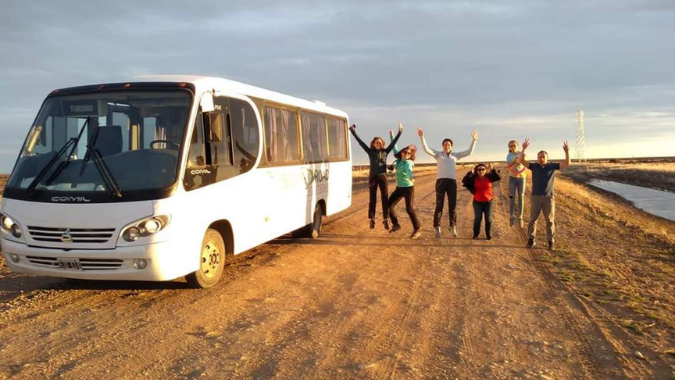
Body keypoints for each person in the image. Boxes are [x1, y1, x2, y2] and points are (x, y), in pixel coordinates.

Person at [418, 128, 479, 238]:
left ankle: (453, 226)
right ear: (442, 146)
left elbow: (469, 152)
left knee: (453, 206)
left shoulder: (455, 156)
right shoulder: (438, 155)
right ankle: (437, 228)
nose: (447, 146)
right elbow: (426, 149)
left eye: (449, 144)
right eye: (445, 144)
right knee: (439, 206)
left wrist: (474, 140)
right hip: (441, 182)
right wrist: (422, 137)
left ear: (451, 146)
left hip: (452, 182)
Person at [518, 139, 571, 250]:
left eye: (543, 157)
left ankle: (551, 242)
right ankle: (531, 240)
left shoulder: (552, 166)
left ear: (547, 158)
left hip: (548, 198)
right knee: (533, 220)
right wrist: (523, 149)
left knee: (550, 221)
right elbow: (522, 161)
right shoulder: (534, 166)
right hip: (535, 197)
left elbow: (567, 163)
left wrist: (567, 152)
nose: (541, 159)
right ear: (537, 158)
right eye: (539, 157)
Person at [349, 123, 402, 229]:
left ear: (382, 144)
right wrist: (353, 131)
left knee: (384, 199)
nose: (378, 144)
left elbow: (394, 143)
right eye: (376, 142)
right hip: (373, 177)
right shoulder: (370, 151)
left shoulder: (385, 152)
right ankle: (372, 219)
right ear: (373, 144)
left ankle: (385, 219)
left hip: (383, 177)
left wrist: (399, 132)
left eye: (380, 142)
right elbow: (361, 143)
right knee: (372, 199)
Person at [387, 143, 421, 239]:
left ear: (410, 155)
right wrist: (392, 136)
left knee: (409, 209)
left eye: (409, 154)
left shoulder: (408, 163)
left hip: (408, 188)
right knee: (389, 206)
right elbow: (394, 148)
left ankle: (417, 229)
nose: (407, 154)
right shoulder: (398, 161)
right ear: (401, 153)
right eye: (405, 152)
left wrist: (411, 177)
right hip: (399, 188)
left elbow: (409, 170)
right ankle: (396, 225)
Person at [462, 163, 501, 240]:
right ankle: (476, 234)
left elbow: (498, 177)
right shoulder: (474, 178)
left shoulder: (489, 177)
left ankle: (488, 234)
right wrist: (470, 172)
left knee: (488, 219)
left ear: (485, 170)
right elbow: (464, 181)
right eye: (479, 169)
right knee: (478, 218)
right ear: (476, 171)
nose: (481, 171)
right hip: (477, 202)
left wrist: (493, 170)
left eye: (483, 169)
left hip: (488, 201)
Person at [506, 140, 527, 228]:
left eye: (514, 146)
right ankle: (512, 216)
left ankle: (520, 216)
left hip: (521, 178)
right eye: (510, 146)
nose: (512, 147)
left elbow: (525, 165)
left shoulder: (521, 153)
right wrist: (515, 160)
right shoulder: (509, 155)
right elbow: (509, 166)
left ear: (517, 146)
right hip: (512, 178)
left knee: (521, 196)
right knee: (512, 197)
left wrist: (520, 173)